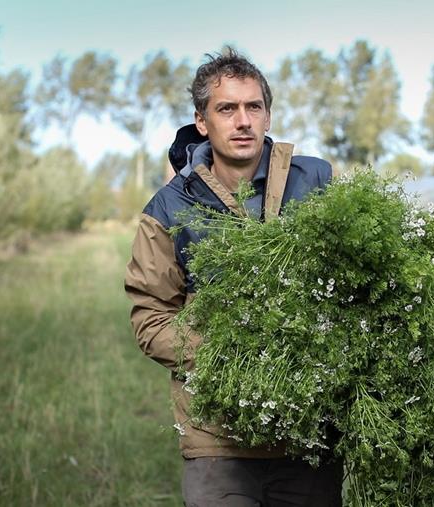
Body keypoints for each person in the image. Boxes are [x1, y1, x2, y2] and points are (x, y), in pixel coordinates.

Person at [124, 47, 342, 506]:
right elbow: (151, 319)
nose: (242, 120)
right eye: (227, 108)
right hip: (216, 441)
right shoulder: (168, 209)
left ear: (267, 115)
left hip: (309, 435)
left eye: (253, 107)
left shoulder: (317, 182)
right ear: (202, 121)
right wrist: (235, 357)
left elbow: (356, 286)